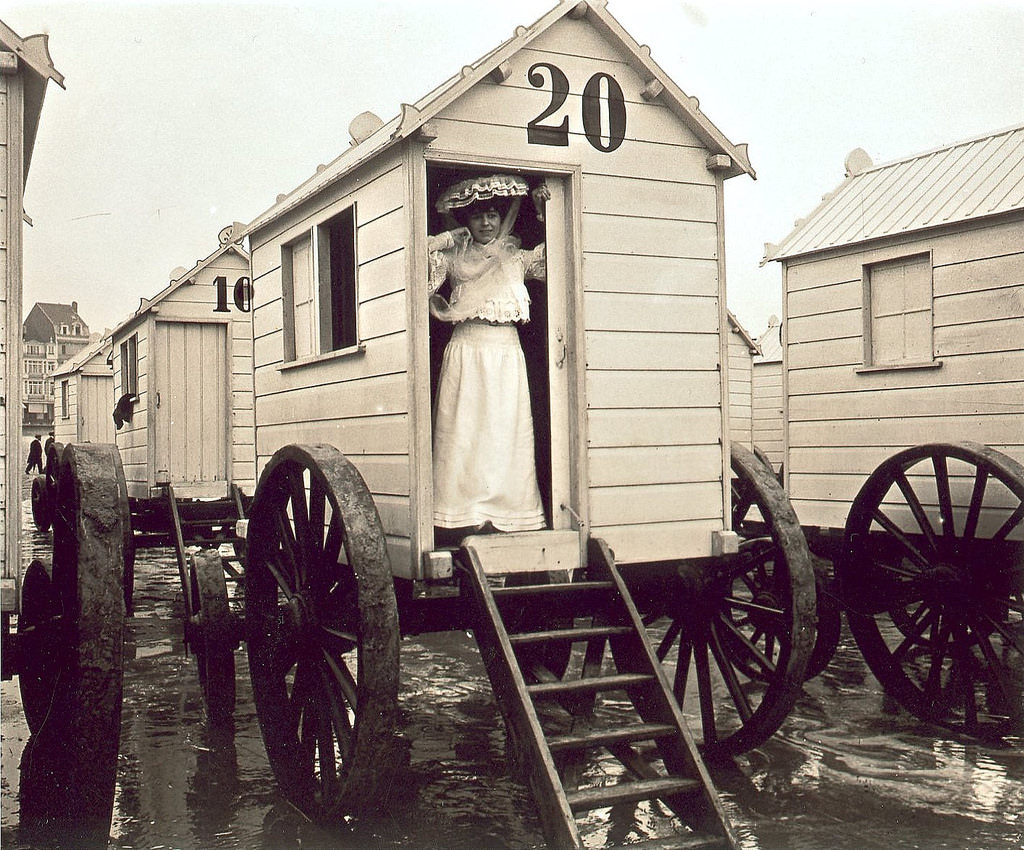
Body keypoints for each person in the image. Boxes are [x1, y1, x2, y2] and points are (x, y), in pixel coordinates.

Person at [428, 173, 550, 537]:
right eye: (478, 215)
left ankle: (510, 514)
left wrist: (545, 212)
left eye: (493, 214)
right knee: (466, 433)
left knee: (504, 434)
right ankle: (461, 515)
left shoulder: (516, 257)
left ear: (503, 217)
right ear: (466, 219)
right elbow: (415, 256)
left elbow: (561, 255)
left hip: (507, 355)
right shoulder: (453, 257)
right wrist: (451, 237)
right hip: (468, 352)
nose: (486, 222)